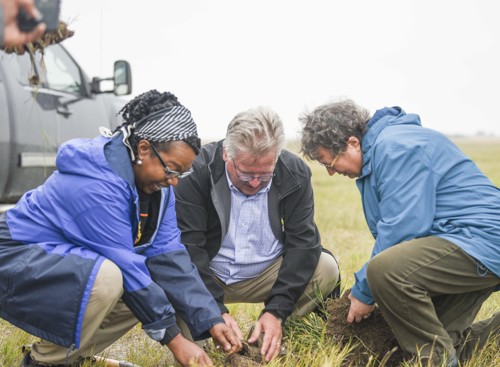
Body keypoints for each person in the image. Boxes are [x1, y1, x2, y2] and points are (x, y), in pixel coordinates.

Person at [0, 90, 242, 367]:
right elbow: (127, 268)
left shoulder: (158, 187)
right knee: (110, 279)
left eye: (181, 173)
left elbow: (168, 255)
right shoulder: (95, 183)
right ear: (143, 149)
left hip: (65, 265)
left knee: (143, 283)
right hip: (16, 260)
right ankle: (46, 362)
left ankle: (72, 355)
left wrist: (211, 318)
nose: (175, 182)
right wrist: (175, 341)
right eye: (172, 170)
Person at [299, 99, 500, 366]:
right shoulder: (383, 150)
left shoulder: (395, 148)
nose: (332, 172)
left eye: (331, 162)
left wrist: (364, 292)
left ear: (353, 143)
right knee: (440, 338)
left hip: (480, 242)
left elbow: (403, 229)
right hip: (464, 243)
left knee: (385, 271)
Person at [174, 106, 341, 363]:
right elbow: (189, 248)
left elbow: (303, 245)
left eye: (264, 176)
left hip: (265, 272)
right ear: (226, 154)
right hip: (207, 272)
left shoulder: (294, 173)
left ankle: (263, 338)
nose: (254, 183)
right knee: (171, 276)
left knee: (325, 266)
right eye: (246, 173)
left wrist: (276, 311)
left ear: (276, 157)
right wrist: (214, 311)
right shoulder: (196, 171)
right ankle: (202, 338)